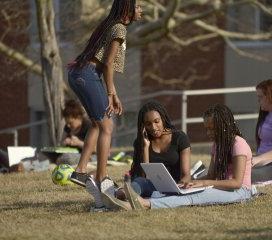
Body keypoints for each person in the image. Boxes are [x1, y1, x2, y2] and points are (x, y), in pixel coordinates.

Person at [101, 104, 253, 210]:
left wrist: (204, 183)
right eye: (207, 129)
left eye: (212, 129)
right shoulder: (218, 145)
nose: (209, 133)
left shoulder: (238, 144)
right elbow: (212, 175)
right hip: (221, 188)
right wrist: (192, 183)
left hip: (240, 192)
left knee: (197, 196)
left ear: (224, 125)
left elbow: (237, 183)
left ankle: (146, 204)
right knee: (187, 191)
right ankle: (128, 202)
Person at [67, 0, 142, 188]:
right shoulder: (120, 29)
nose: (141, 10)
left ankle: (80, 171)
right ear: (128, 9)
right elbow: (108, 63)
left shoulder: (109, 24)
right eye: (138, 6)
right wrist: (110, 94)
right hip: (87, 74)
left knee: (96, 124)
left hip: (78, 73)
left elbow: (105, 66)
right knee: (107, 126)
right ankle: (102, 178)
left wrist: (113, 93)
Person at [126, 100, 191, 197]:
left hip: (177, 187)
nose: (153, 127)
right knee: (138, 183)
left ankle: (123, 195)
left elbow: (186, 175)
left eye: (157, 121)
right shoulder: (141, 142)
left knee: (135, 188)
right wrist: (145, 148)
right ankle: (118, 195)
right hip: (151, 188)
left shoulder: (180, 138)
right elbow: (143, 177)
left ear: (163, 119)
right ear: (143, 126)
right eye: (148, 124)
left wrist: (180, 186)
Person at [56, 100, 94, 165]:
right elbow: (61, 143)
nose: (68, 125)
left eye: (70, 123)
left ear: (79, 117)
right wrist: (65, 142)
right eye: (67, 123)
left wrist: (78, 143)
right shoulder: (67, 128)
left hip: (89, 156)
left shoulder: (89, 126)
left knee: (68, 158)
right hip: (71, 154)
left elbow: (96, 149)